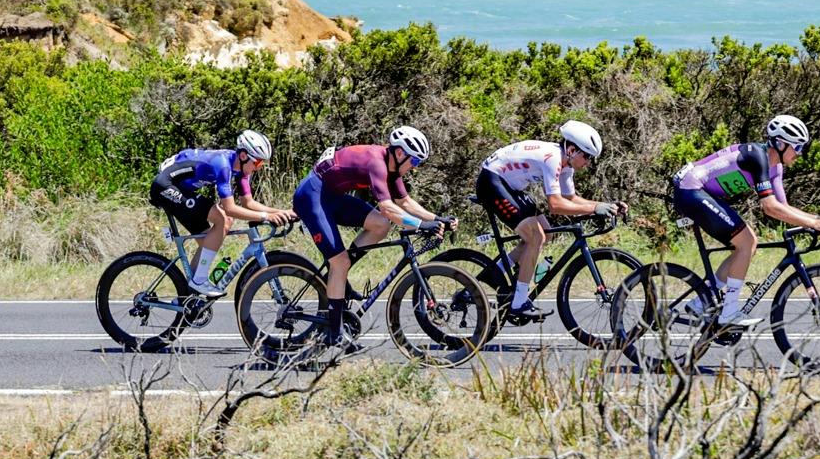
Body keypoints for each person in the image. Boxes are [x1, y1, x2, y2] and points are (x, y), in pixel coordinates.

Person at [668, 114, 820, 332]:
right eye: (797, 147)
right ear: (780, 144)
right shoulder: (757, 157)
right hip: (690, 190)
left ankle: (701, 301)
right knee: (747, 241)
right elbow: (769, 207)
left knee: (746, 247)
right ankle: (729, 313)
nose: (800, 154)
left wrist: (819, 220)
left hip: (699, 192)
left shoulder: (776, 168)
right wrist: (814, 222)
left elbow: (783, 207)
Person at [293, 126, 446, 343]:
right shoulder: (377, 163)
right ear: (400, 153)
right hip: (312, 197)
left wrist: (436, 219)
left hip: (331, 196)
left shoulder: (392, 165)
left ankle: (338, 277)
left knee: (380, 225)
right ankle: (334, 334)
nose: (414, 167)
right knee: (341, 262)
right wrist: (421, 224)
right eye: (414, 162)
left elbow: (404, 202)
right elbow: (388, 208)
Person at [475, 120, 625, 325]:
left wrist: (605, 205)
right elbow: (555, 204)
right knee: (536, 236)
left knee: (548, 233)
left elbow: (571, 199)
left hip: (510, 186)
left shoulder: (566, 165)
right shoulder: (552, 158)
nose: (588, 163)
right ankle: (518, 302)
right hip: (492, 182)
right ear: (572, 150)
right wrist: (594, 208)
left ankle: (496, 274)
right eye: (587, 156)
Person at [150, 130, 285, 297]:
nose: (258, 168)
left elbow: (248, 203)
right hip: (165, 185)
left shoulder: (241, 170)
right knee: (223, 218)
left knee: (213, 235)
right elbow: (230, 208)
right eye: (257, 163)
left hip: (182, 188)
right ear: (243, 156)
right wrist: (266, 217)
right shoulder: (222, 164)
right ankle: (199, 281)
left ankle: (188, 297)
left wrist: (282, 212)